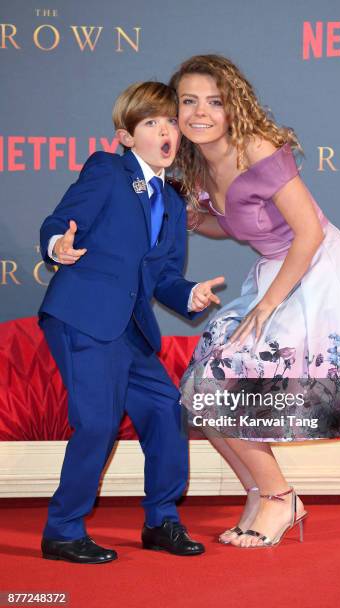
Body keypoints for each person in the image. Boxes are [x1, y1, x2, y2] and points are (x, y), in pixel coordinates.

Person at [169, 55, 340, 549]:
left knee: (218, 389)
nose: (200, 112)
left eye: (214, 102)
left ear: (232, 107)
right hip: (276, 274)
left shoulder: (257, 149)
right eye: (188, 101)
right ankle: (262, 494)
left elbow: (306, 232)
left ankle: (282, 498)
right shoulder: (195, 160)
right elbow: (244, 222)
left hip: (315, 274)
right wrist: (199, 221)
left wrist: (268, 306)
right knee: (199, 392)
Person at [38, 81, 224, 563]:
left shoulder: (175, 202)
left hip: (131, 330)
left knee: (165, 410)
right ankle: (62, 530)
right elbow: (61, 220)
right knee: (97, 423)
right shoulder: (107, 170)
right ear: (126, 137)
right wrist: (58, 245)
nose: (166, 131)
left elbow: (162, 276)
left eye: (170, 123)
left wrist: (190, 293)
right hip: (84, 315)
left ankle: (162, 520)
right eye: (151, 123)